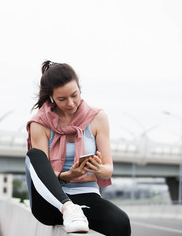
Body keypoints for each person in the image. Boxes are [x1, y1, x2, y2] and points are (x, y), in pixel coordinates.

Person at [25, 60, 131, 235]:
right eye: (62, 99)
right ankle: (68, 208)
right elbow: (41, 172)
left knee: (120, 222)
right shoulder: (40, 123)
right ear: (51, 97)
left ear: (80, 88)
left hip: (86, 196)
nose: (71, 103)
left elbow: (108, 170)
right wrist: (68, 176)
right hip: (50, 202)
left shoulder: (98, 118)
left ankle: (74, 210)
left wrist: (98, 168)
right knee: (34, 156)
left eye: (74, 95)